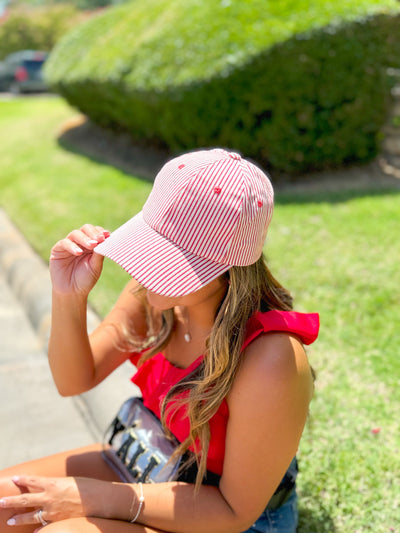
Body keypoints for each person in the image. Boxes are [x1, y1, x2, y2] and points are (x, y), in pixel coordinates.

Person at [0, 148, 319, 532]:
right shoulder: (155, 297)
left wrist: (91, 498)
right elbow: (73, 380)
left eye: (168, 261)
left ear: (227, 267)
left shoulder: (271, 357)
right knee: (5, 504)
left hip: (222, 513)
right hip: (148, 464)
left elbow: (234, 512)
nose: (143, 269)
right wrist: (68, 297)